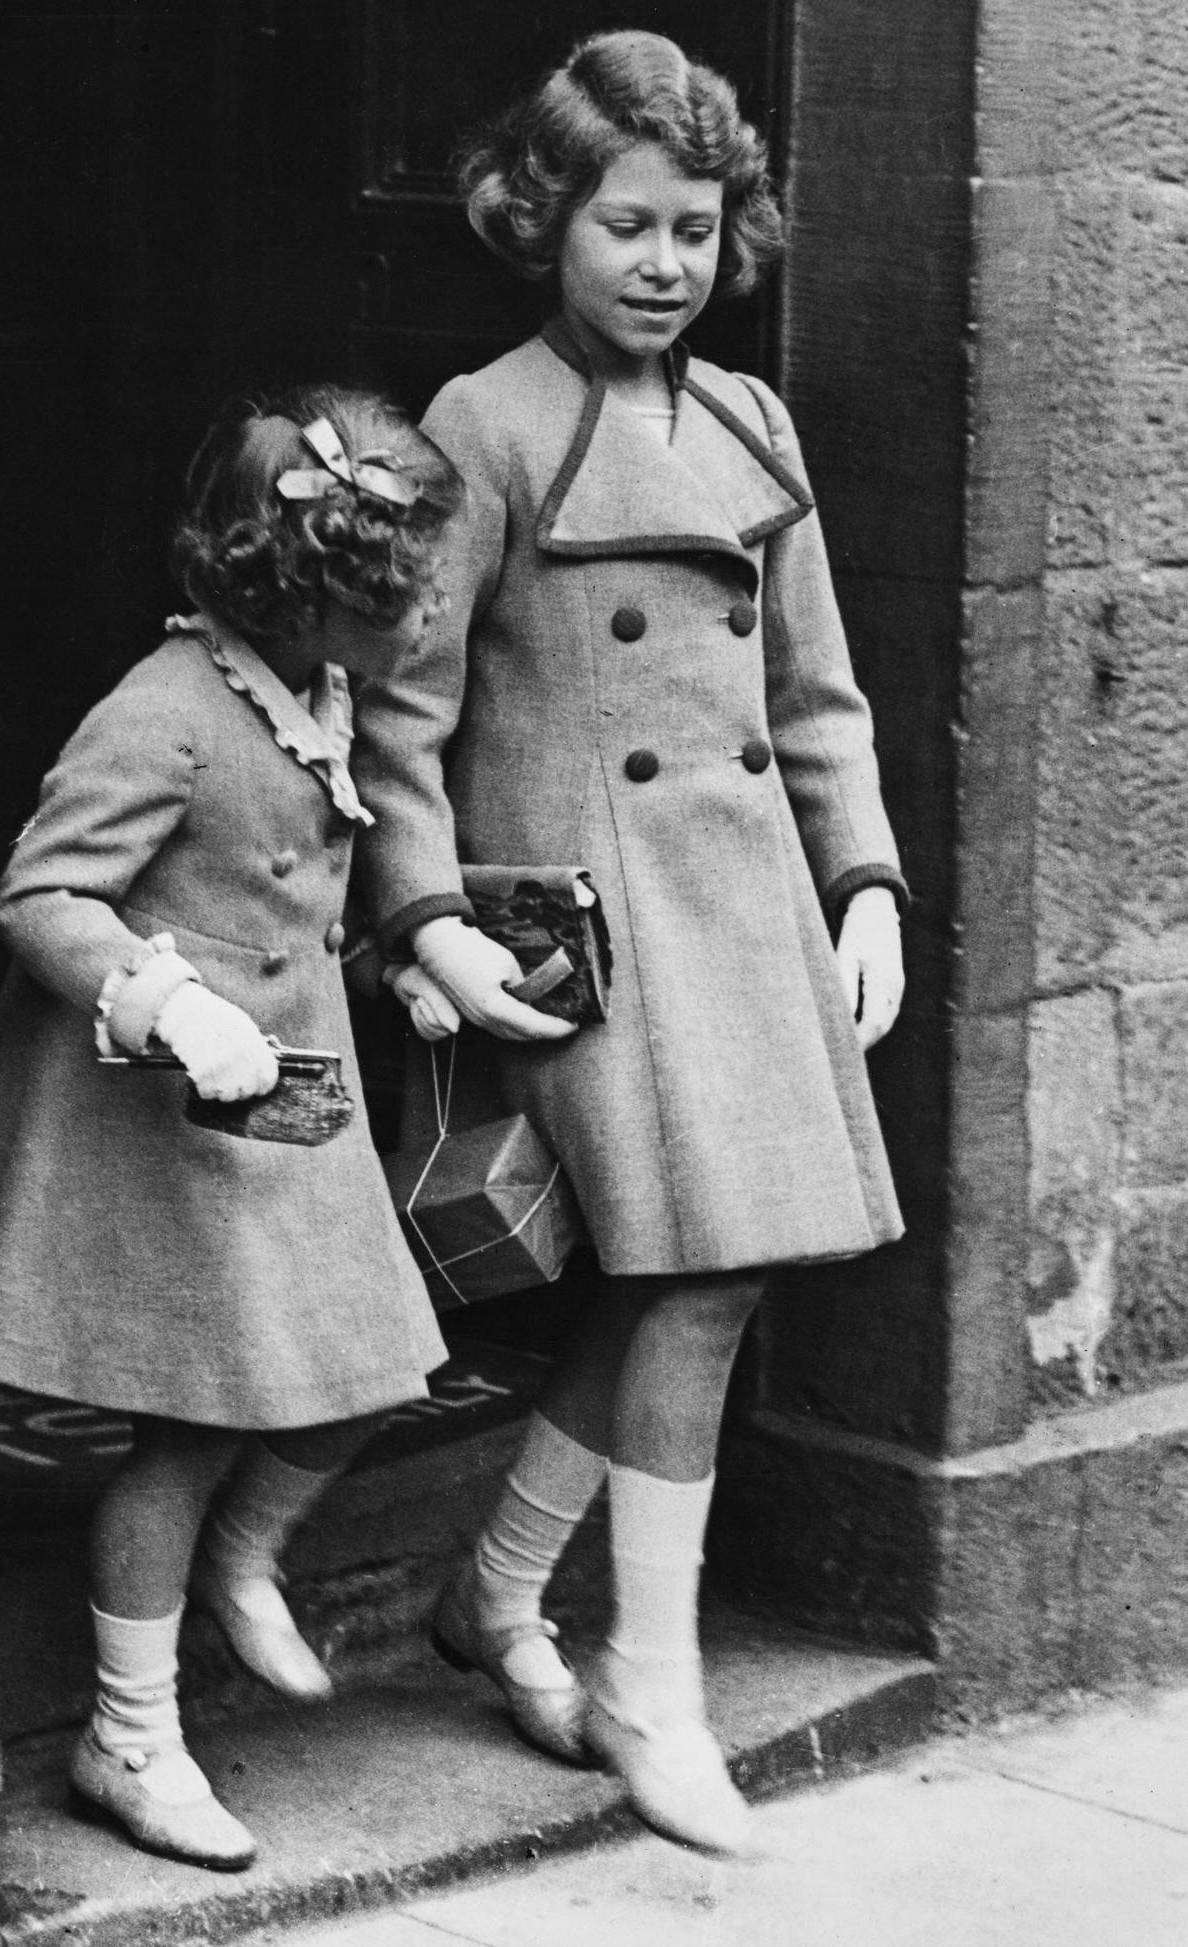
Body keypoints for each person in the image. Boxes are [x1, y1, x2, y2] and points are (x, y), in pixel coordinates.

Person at [351, 30, 908, 1857]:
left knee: (707, 1273)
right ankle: (649, 1679)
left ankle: (500, 1596)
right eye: (626, 227)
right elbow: (401, 717)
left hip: (744, 906)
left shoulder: (757, 426)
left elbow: (816, 693)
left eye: (695, 229)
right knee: (689, 1275)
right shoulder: (484, 420)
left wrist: (868, 883)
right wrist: (425, 921)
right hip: (583, 929)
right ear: (542, 222)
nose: (664, 264)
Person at [0, 389, 463, 1871]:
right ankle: (133, 1735)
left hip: (294, 1109)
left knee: (378, 1361)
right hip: (176, 1122)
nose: (435, 618)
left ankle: (248, 1557)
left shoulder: (318, 691)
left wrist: (391, 969)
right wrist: (161, 998)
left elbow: (291, 887)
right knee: (183, 1433)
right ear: (316, 592)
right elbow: (42, 892)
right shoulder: (171, 712)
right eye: (412, 596)